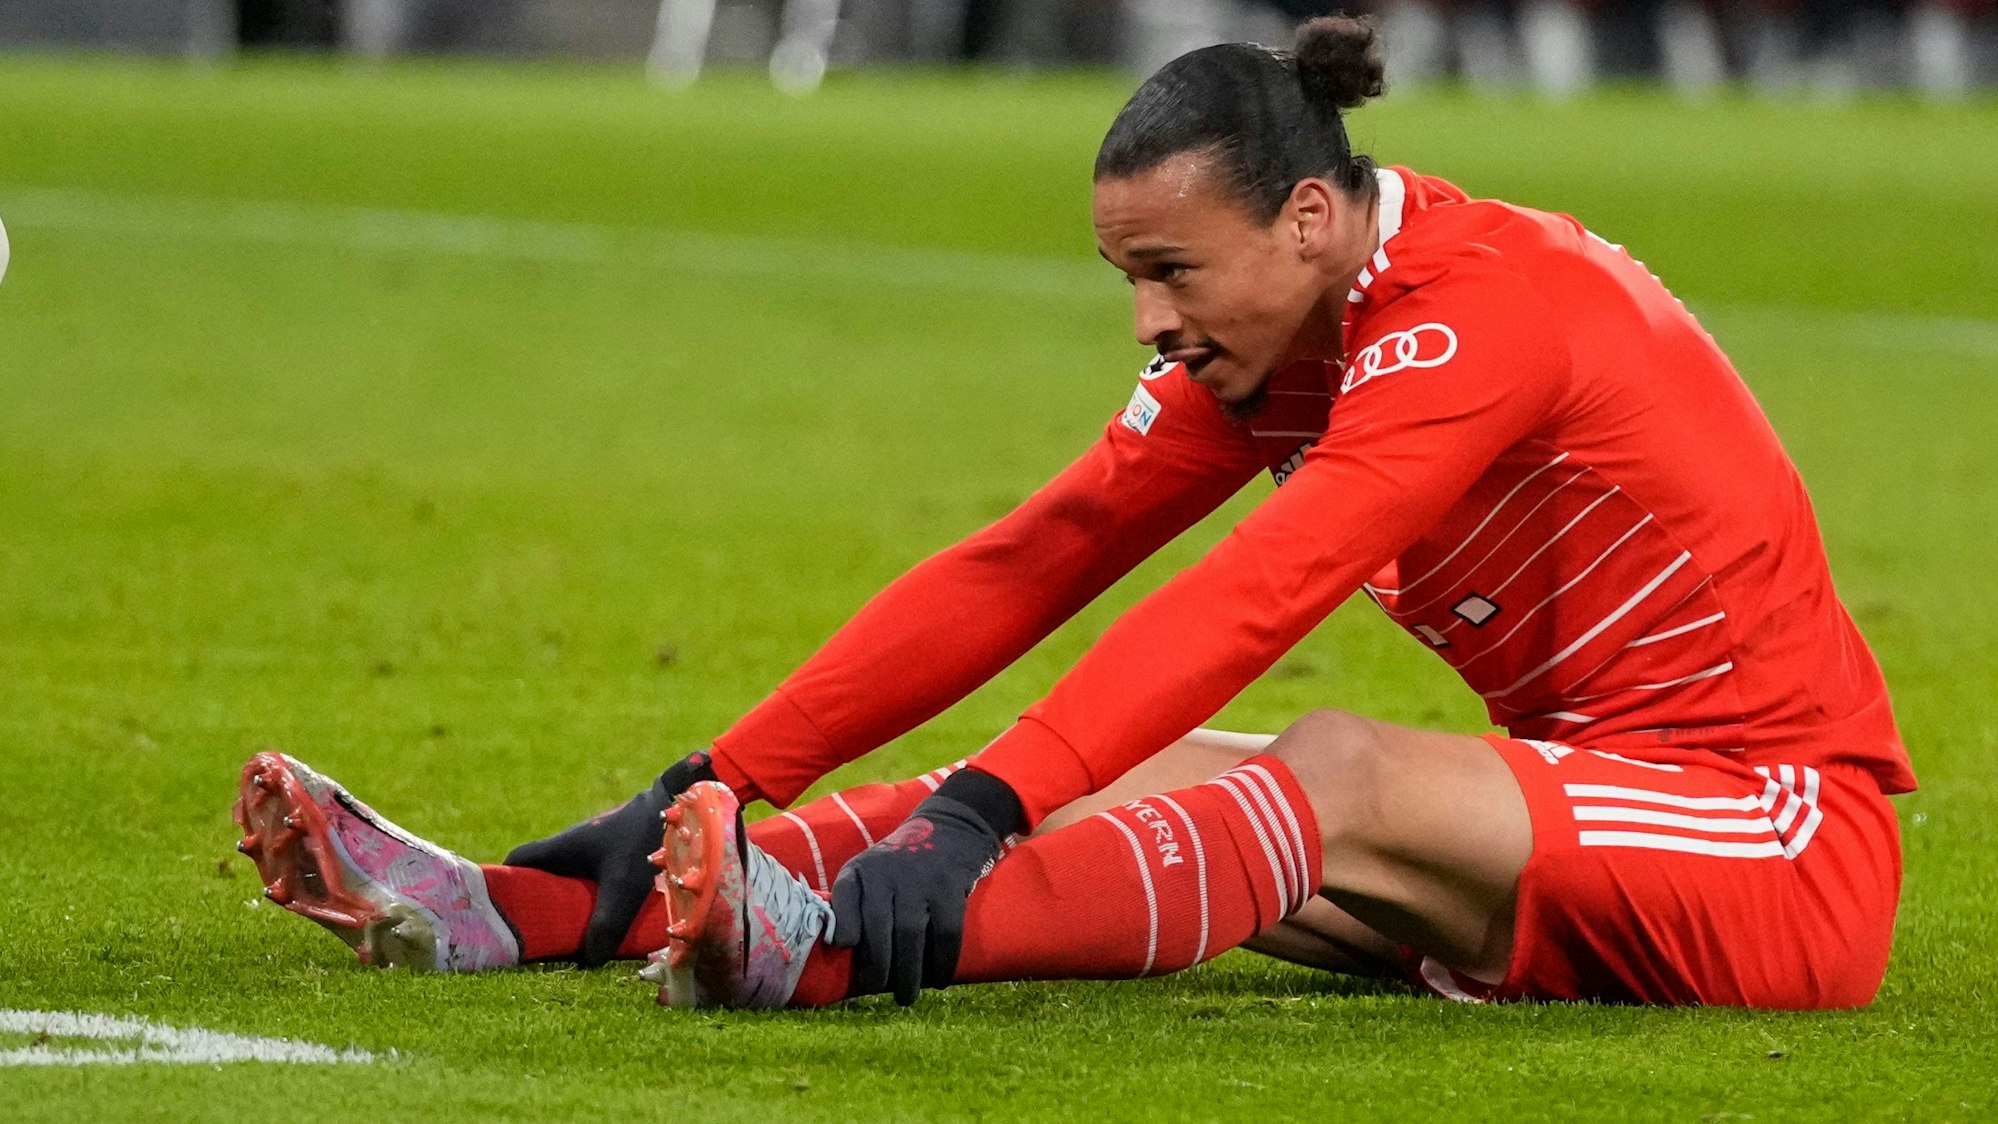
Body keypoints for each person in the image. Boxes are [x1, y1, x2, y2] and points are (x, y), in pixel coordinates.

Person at [233, 13, 1912, 1011]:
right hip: (1574, 812)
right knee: (1154, 775)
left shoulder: (1488, 311)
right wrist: (716, 778)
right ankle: (517, 915)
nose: (1149, 325)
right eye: (1126, 279)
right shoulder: (1284, 330)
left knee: (1325, 760)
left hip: (1770, 833)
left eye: (1170, 272)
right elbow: (1036, 556)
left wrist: (976, 811)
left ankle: (815, 957)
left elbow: (1268, 584)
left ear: (1310, 217)